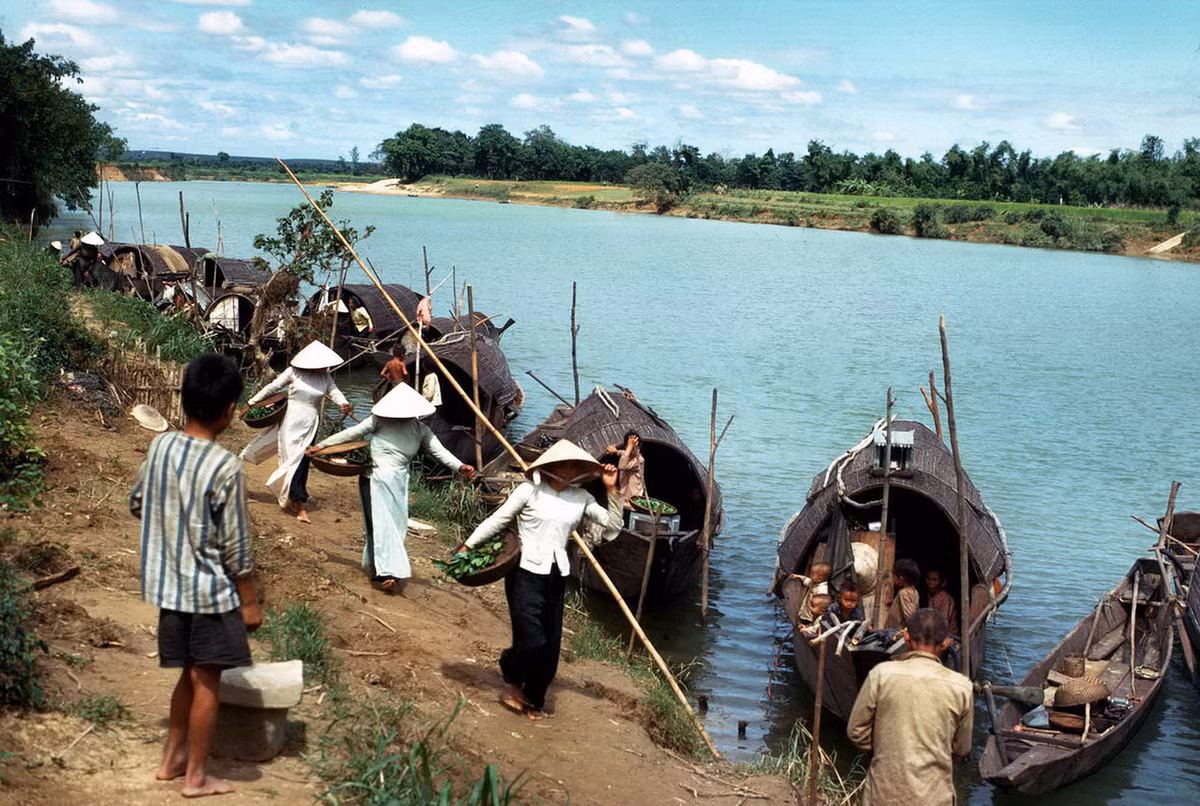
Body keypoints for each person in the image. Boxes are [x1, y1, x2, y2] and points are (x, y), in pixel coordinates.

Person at [130, 353, 262, 799]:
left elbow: (137, 502)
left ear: (184, 400)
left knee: (187, 673)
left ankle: (171, 761)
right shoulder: (226, 467)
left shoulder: (160, 446)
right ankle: (197, 776)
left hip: (168, 588)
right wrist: (249, 600)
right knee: (207, 681)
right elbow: (236, 547)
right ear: (229, 411)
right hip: (209, 594)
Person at [459, 440, 622, 719]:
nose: (570, 469)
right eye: (565, 464)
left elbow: (614, 525)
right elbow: (498, 520)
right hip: (524, 571)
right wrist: (468, 546)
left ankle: (534, 700)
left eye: (575, 465)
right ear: (550, 467)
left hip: (557, 574)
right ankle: (512, 674)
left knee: (550, 645)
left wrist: (611, 489)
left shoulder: (581, 498)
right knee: (532, 640)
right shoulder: (528, 491)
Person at [309, 383, 474, 593]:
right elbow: (351, 433)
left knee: (396, 526)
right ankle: (383, 574)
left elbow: (439, 451)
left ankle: (389, 570)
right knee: (377, 525)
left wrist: (460, 466)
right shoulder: (379, 420)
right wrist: (322, 446)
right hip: (374, 477)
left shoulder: (421, 429)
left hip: (398, 481)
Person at [847, 609, 972, 806]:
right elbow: (962, 748)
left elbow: (856, 731)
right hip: (934, 796)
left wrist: (886, 749)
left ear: (906, 637)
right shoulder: (962, 686)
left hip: (883, 793)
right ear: (946, 643)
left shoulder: (881, 674)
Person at [240, 340, 352, 523]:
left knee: (302, 462)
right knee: (290, 461)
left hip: (310, 424)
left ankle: (299, 503)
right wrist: (251, 402)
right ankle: (295, 500)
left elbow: (335, 393)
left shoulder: (325, 377)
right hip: (291, 422)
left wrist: (344, 404)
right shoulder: (294, 372)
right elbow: (273, 387)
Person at [605, 430, 645, 507]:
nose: (632, 450)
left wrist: (630, 446)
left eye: (634, 447)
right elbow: (623, 453)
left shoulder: (639, 460)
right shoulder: (625, 454)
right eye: (629, 447)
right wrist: (616, 451)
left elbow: (622, 466)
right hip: (623, 498)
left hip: (634, 501)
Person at [886, 558, 921, 629]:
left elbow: (910, 617)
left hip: (896, 633)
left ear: (901, 579)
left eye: (894, 576)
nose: (892, 578)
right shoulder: (914, 591)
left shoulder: (904, 593)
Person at [925, 568, 959, 635]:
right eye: (929, 579)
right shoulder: (930, 595)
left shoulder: (945, 599)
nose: (931, 582)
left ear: (942, 582)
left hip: (947, 636)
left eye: (934, 580)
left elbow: (943, 622)